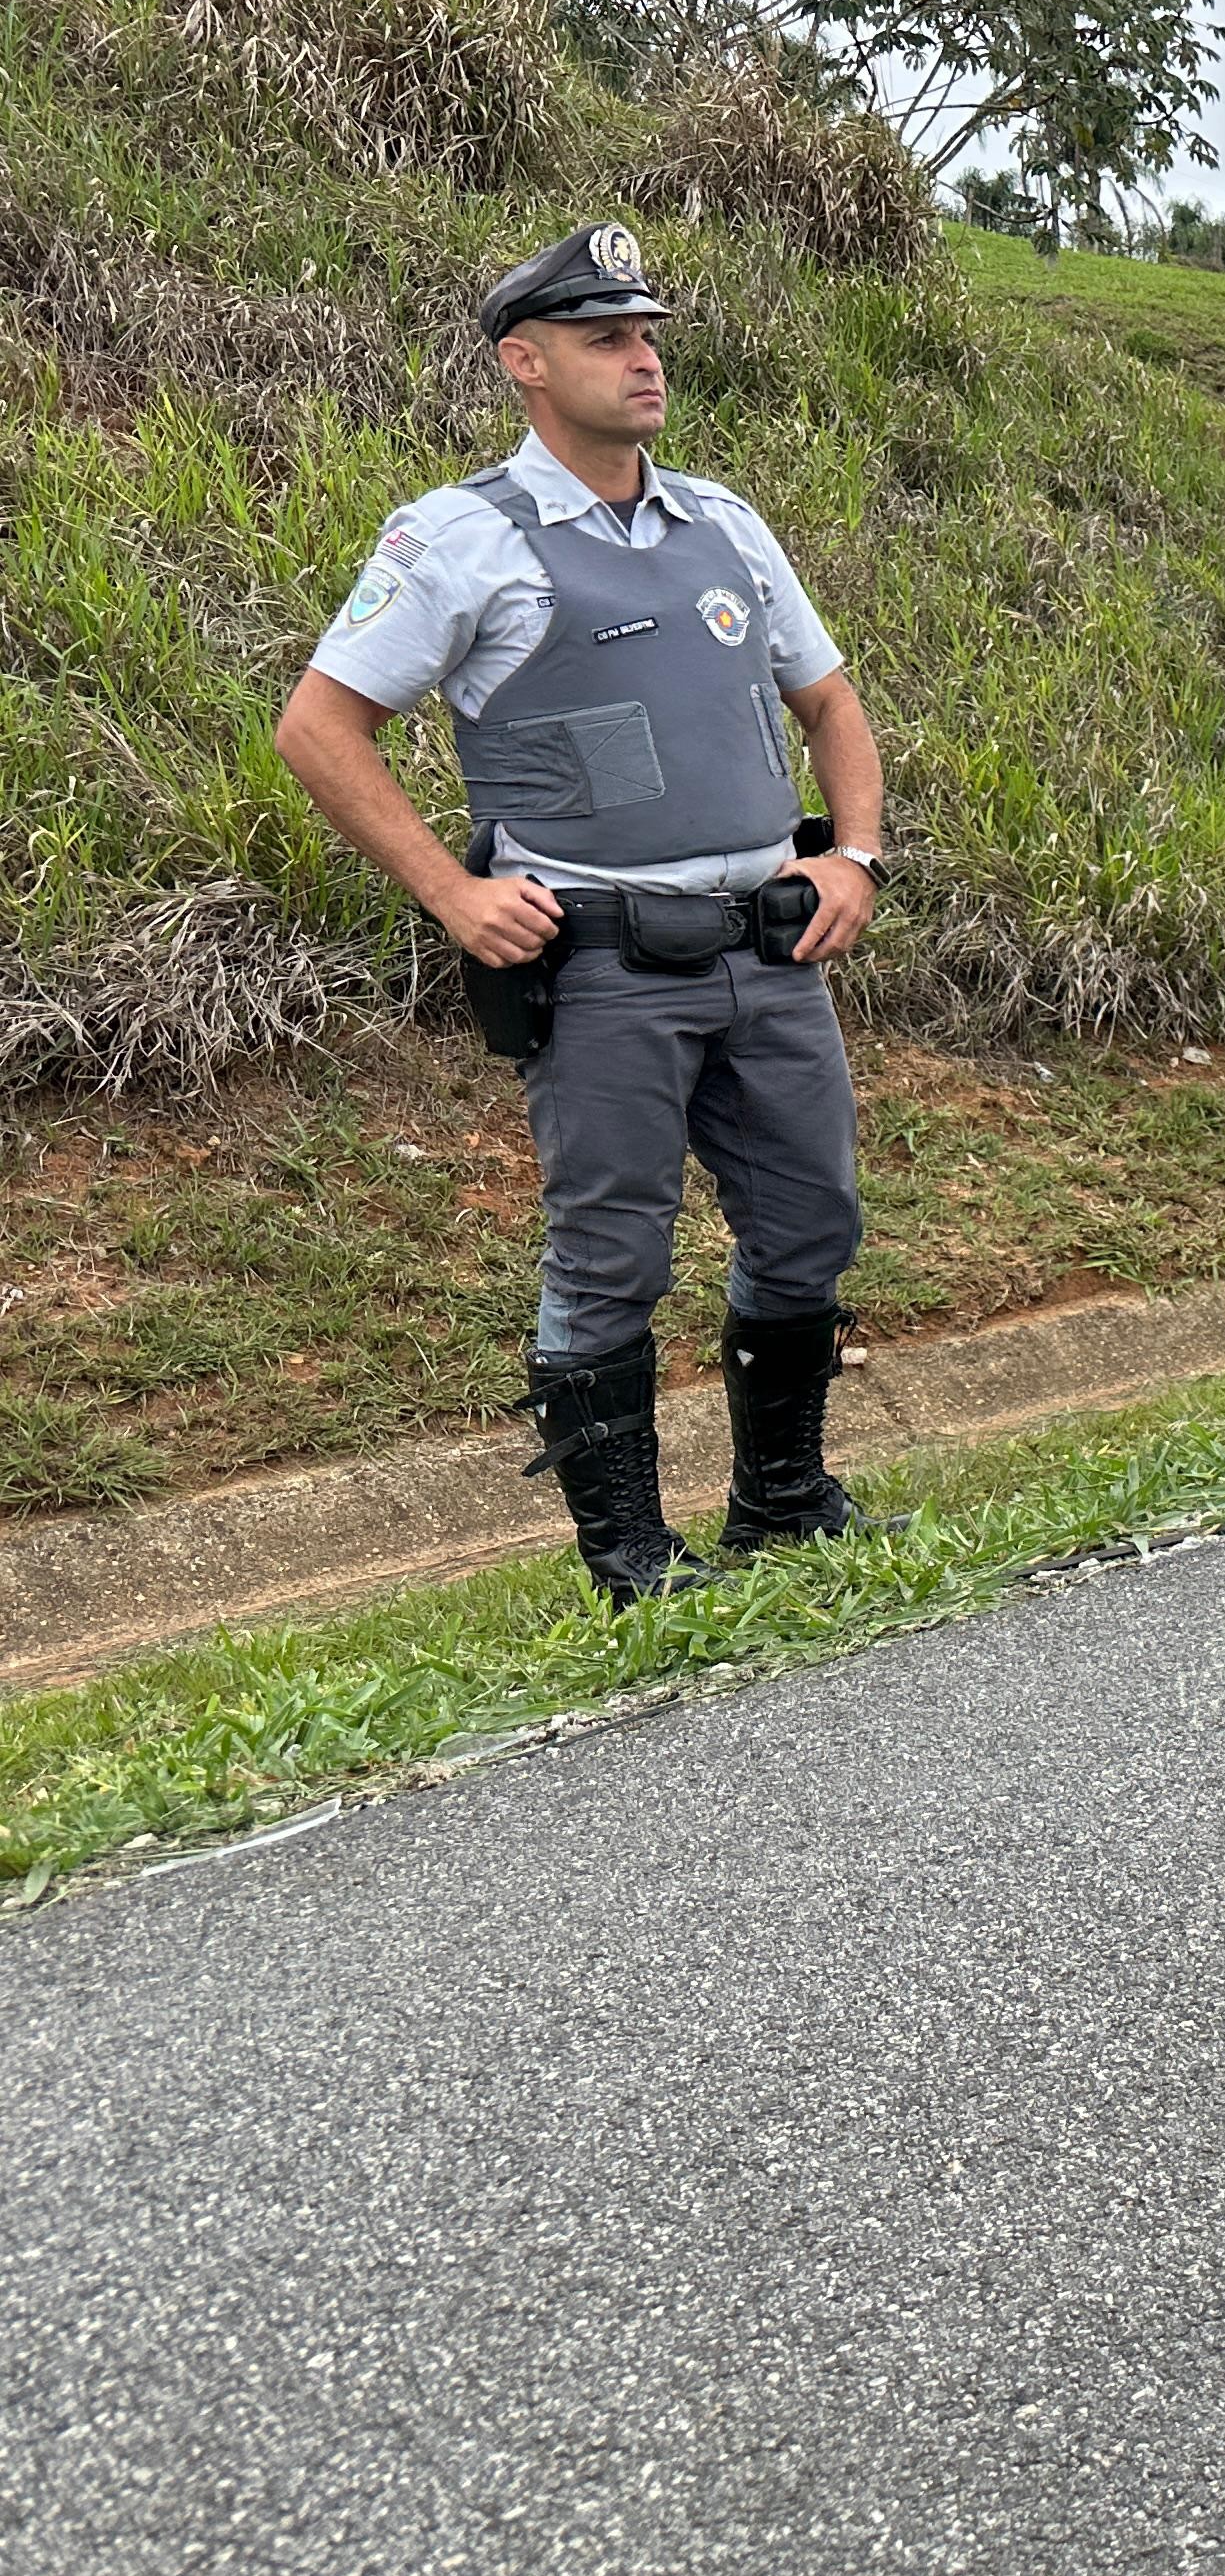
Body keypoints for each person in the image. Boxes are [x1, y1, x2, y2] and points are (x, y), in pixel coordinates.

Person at [272, 223, 888, 1602]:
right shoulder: (460, 538)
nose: (644, 356)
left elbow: (830, 701)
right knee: (612, 1251)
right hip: (604, 963)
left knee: (812, 1225)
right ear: (525, 362)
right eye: (607, 337)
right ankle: (627, 1555)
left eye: (648, 331)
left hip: (772, 944)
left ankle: (782, 1504)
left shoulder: (725, 520)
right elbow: (319, 726)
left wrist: (856, 854)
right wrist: (449, 891)